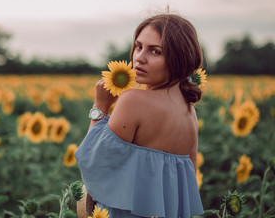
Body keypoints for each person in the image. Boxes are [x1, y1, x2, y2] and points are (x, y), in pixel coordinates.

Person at [75, 13, 204, 218]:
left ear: (178, 59)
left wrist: (100, 106)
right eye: (138, 46)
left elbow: (95, 164)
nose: (139, 58)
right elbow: (188, 182)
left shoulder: (133, 100)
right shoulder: (189, 112)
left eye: (155, 51)